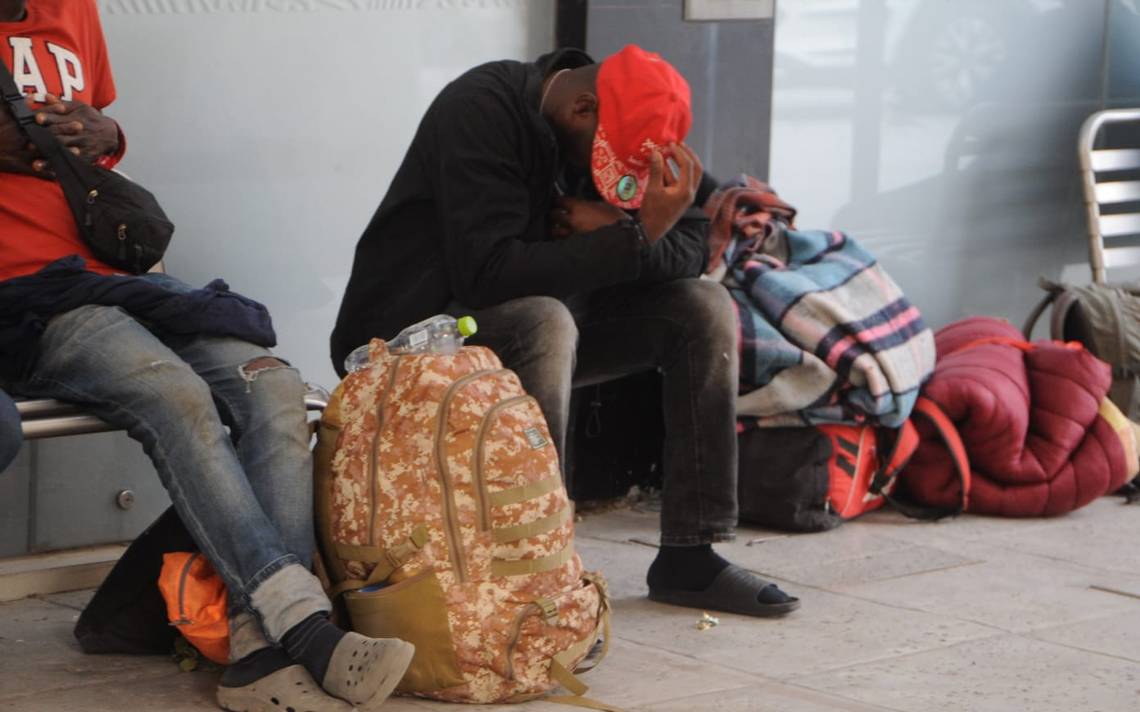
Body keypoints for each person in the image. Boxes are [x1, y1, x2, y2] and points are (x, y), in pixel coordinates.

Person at [0, 2, 413, 710]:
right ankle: (302, 625)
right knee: (173, 393)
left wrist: (109, 133)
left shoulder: (74, 10)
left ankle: (256, 651)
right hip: (29, 298)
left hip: (123, 279)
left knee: (274, 387)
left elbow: (96, 143)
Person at [332, 45, 800, 617]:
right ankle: (537, 568)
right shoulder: (481, 109)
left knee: (703, 306)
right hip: (414, 333)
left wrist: (624, 228)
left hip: (542, 333)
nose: (617, 189)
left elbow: (693, 246)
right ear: (582, 108)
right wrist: (632, 237)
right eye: (612, 177)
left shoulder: (630, 121)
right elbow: (488, 274)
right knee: (544, 319)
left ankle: (690, 556)